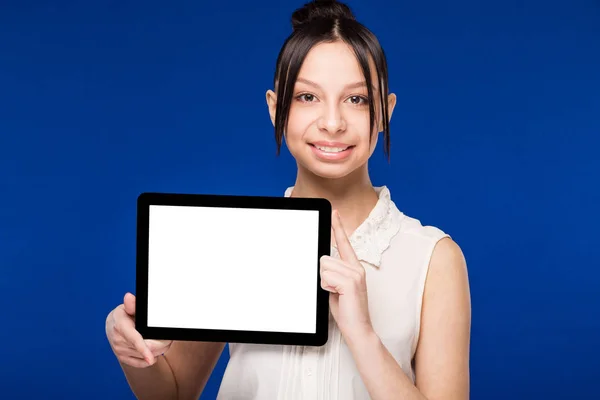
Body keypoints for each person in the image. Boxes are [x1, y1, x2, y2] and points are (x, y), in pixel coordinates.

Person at [105, 0, 472, 399]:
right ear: (275, 106)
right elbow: (172, 394)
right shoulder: (234, 241)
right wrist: (132, 347)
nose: (332, 123)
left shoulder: (433, 259)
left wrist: (362, 335)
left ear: (384, 112)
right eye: (307, 97)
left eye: (356, 99)